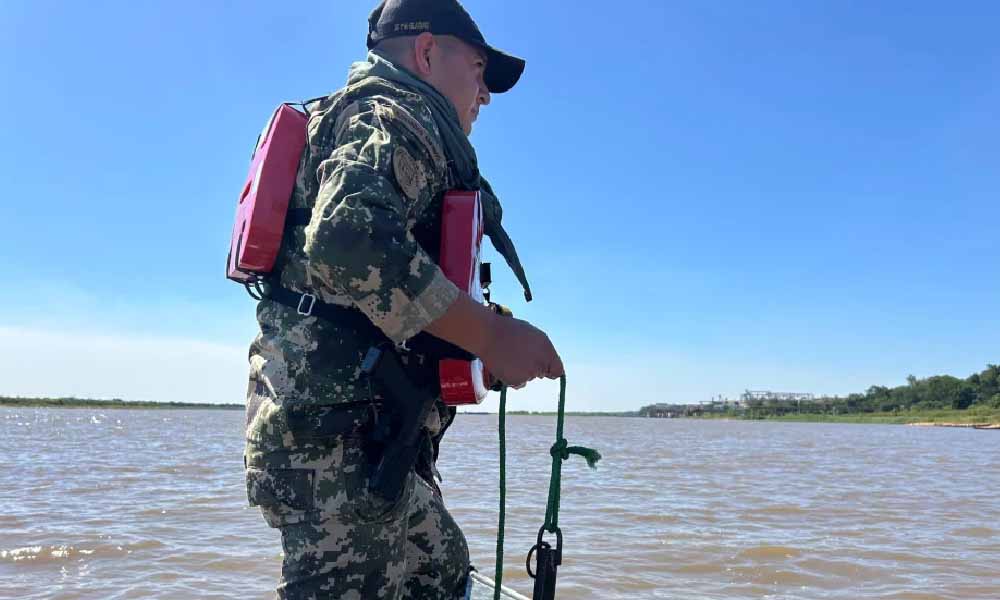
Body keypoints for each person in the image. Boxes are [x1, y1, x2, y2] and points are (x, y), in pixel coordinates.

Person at [242, 0, 564, 598]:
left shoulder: (370, 118)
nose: (485, 95)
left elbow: (365, 299)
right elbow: (347, 241)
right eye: (478, 69)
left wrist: (479, 345)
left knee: (439, 569)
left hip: (355, 439)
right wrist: (492, 337)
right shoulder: (397, 115)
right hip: (338, 449)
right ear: (425, 52)